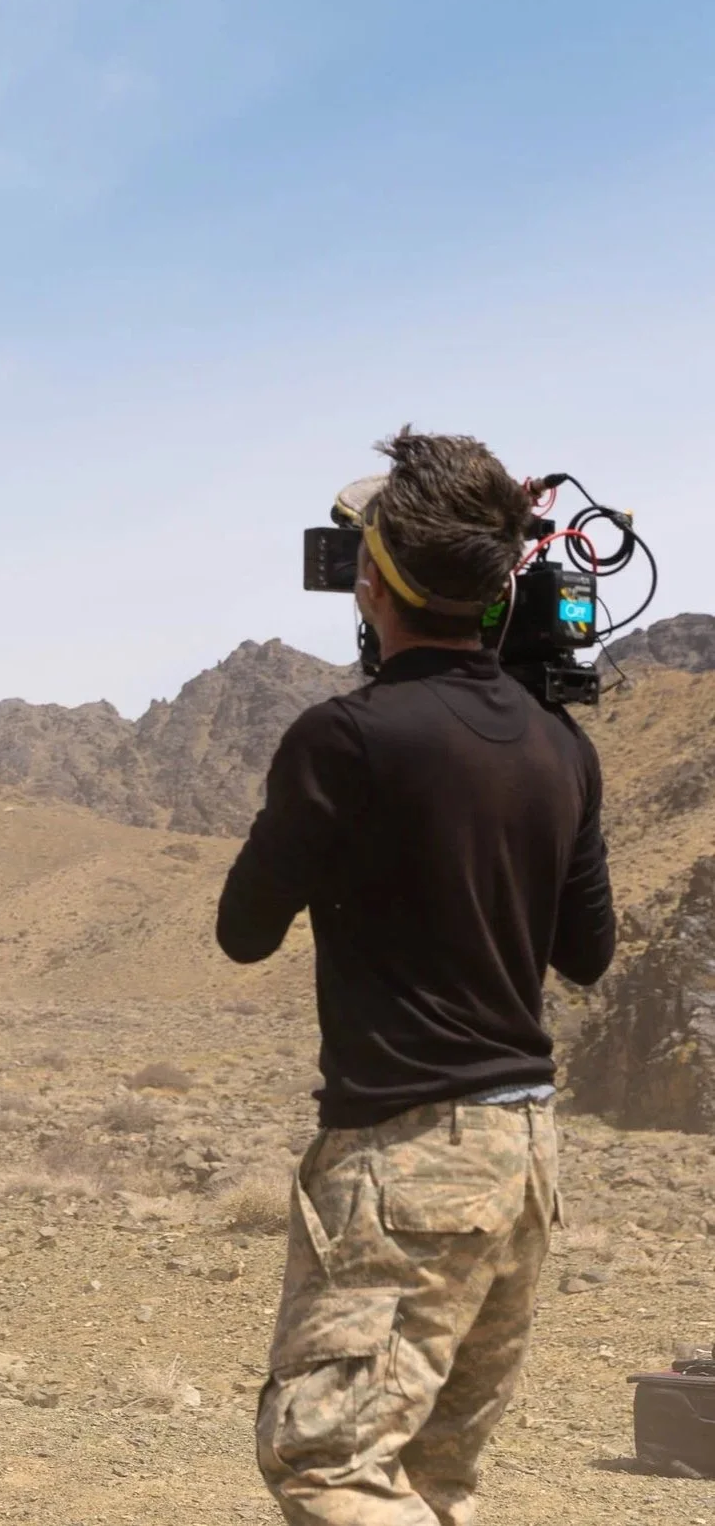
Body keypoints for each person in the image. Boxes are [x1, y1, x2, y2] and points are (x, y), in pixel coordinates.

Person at [217, 430, 616, 1525]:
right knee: (433, 1477)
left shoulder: (341, 740)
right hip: (524, 1157)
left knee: (329, 1462)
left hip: (408, 1162)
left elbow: (242, 929)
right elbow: (584, 952)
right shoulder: (559, 747)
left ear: (370, 577)